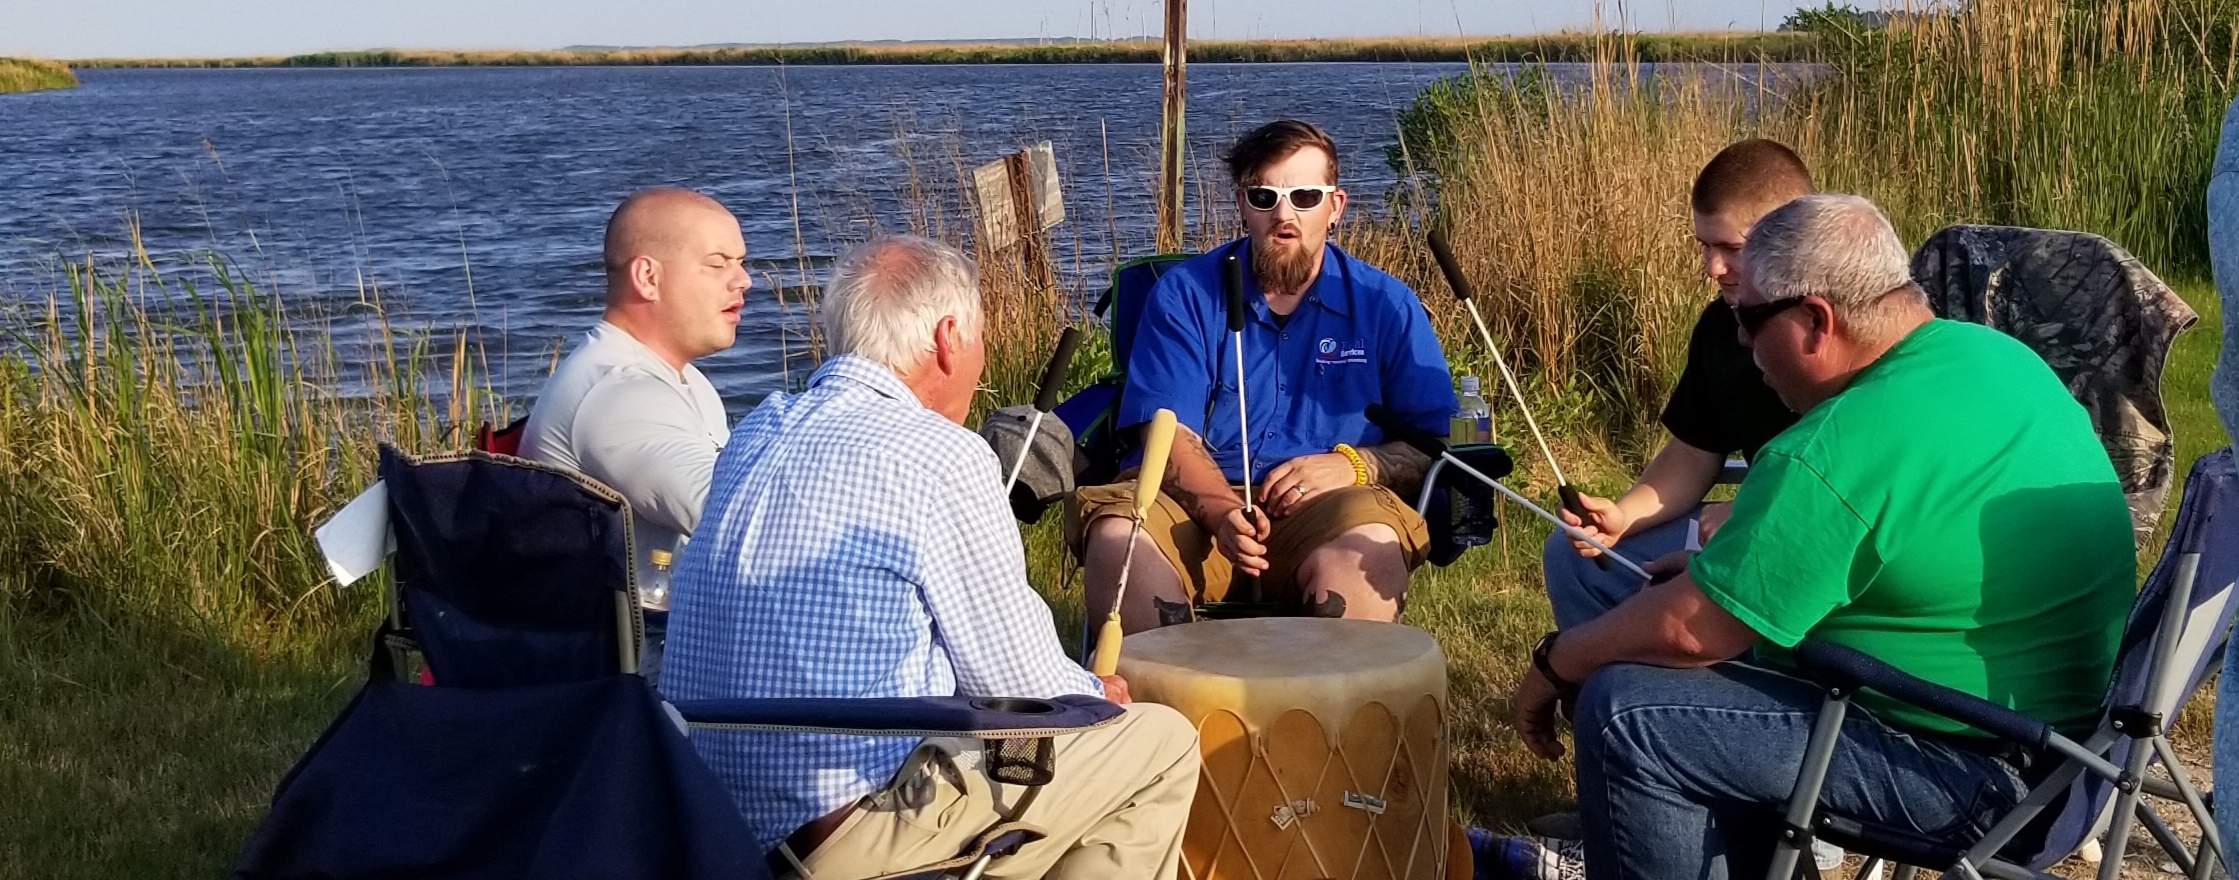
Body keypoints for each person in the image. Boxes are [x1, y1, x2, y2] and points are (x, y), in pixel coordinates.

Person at [1511, 195, 2135, 879]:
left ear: (1814, 319)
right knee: (1658, 628)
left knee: (1625, 714)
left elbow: (1691, 633)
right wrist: (1716, 580)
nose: (1743, 344)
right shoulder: (1986, 356)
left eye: (1747, 319)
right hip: (2070, 752)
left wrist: (1555, 663)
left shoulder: (1836, 445)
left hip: (1983, 776)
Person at [661, 235, 1198, 880]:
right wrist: (1095, 693)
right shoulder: (942, 454)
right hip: (839, 834)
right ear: (947, 338)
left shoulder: (761, 425)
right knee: (1161, 744)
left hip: (709, 820)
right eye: (977, 340)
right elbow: (1022, 688)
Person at [1069, 119, 1457, 631]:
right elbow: (1169, 436)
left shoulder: (1387, 306)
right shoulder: (1185, 296)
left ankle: (1333, 705)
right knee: (1119, 538)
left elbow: (1434, 443)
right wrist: (1222, 510)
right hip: (1188, 505)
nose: (1284, 213)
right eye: (1264, 195)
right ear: (1241, 204)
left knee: (1375, 544)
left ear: (1335, 207)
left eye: (1304, 196)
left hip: (1333, 508)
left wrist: (1356, 466)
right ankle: (1167, 704)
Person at [1543, 139, 1812, 630]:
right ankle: (1589, 692)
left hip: (1803, 532)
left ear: (1792, 235)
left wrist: (1753, 511)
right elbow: (1693, 452)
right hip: (1739, 521)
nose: (1713, 267)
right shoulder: (1718, 325)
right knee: (1572, 558)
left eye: (1732, 247)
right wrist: (1623, 516)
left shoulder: (1837, 329)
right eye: (1705, 246)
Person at [518, 187, 746, 684]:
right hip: (636, 668)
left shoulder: (677, 378)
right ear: (648, 276)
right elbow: (739, 520)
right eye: (717, 264)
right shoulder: (619, 393)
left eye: (741, 262)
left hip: (650, 642)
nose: (743, 280)